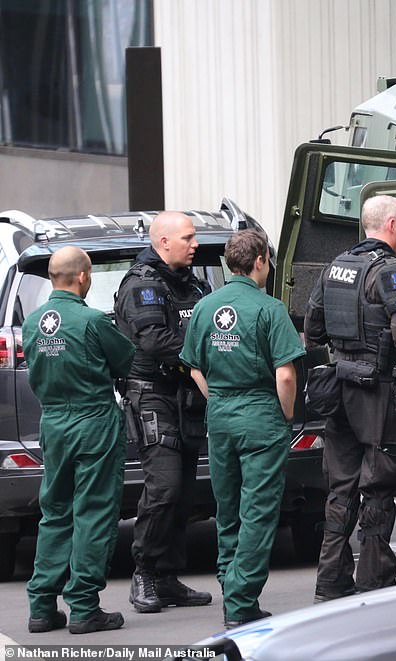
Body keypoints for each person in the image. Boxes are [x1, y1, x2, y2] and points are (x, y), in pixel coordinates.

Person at [180, 229, 305, 628]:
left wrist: (214, 395)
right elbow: (285, 374)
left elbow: (192, 363)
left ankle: (231, 589)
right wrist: (284, 416)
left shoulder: (205, 307)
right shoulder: (269, 309)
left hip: (221, 416)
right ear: (260, 261)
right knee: (259, 511)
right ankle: (240, 601)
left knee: (228, 508)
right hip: (260, 415)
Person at [305, 195, 396, 602]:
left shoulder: (334, 268)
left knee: (340, 488)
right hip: (379, 396)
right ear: (391, 224)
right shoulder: (393, 272)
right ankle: (373, 580)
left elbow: (313, 330)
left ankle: (330, 580)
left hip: (339, 390)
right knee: (377, 487)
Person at [24, 246, 135, 634]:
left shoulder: (34, 322)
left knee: (55, 511)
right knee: (94, 511)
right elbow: (126, 360)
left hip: (53, 423)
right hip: (92, 422)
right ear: (84, 277)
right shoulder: (92, 321)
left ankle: (41, 607)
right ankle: (85, 607)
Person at [113, 211, 213, 613]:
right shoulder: (142, 286)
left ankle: (167, 577)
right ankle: (145, 573)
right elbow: (155, 341)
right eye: (188, 238)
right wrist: (198, 361)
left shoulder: (193, 284)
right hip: (154, 396)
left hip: (189, 398)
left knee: (185, 494)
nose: (195, 245)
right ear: (163, 241)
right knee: (165, 488)